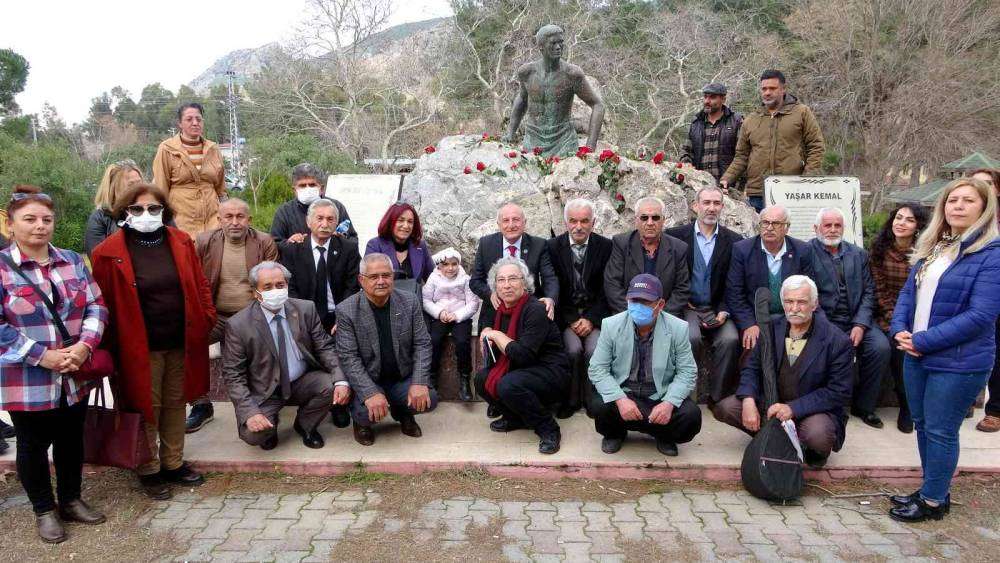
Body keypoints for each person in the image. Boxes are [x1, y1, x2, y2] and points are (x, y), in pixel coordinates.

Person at [91, 183, 216, 500]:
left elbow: (199, 284)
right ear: (125, 212)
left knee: (175, 403)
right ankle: (148, 468)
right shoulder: (107, 252)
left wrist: (206, 316)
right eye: (137, 209)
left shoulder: (181, 241)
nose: (146, 214)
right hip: (137, 346)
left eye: (153, 208)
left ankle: (173, 463)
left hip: (180, 340)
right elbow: (101, 302)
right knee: (145, 407)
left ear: (164, 211)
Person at [0, 185, 109, 543]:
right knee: (32, 444)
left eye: (46, 219)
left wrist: (85, 345)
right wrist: (42, 355)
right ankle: (44, 510)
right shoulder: (2, 268)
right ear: (10, 224)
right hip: (27, 375)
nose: (39, 226)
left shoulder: (72, 261)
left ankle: (71, 500)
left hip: (74, 371)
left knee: (70, 438)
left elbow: (96, 305)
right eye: (29, 219)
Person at [889, 178, 1000, 522]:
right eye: (953, 200)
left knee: (941, 430)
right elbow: (908, 294)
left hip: (958, 362)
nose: (958, 206)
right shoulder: (936, 246)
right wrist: (900, 329)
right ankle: (932, 489)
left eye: (968, 200)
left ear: (985, 208)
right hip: (916, 354)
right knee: (923, 425)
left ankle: (933, 502)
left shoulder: (991, 254)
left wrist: (922, 341)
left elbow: (981, 315)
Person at [713, 275, 853, 468]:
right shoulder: (770, 327)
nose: (794, 308)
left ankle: (810, 449)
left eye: (801, 302)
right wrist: (748, 400)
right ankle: (777, 437)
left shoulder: (837, 340)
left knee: (818, 435)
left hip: (811, 412)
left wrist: (793, 408)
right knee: (727, 407)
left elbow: (838, 392)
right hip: (771, 404)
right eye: (789, 301)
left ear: (814, 304)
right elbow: (752, 367)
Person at [222, 262, 350, 450]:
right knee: (254, 434)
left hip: (301, 381)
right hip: (265, 389)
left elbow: (324, 347)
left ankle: (305, 425)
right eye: (267, 287)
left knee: (332, 384)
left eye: (280, 285)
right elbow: (233, 375)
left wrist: (341, 380)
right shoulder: (238, 325)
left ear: (287, 285)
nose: (275, 290)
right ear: (255, 292)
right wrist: (250, 412)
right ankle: (270, 423)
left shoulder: (305, 309)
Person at [185, 198, 279, 433]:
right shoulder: (204, 241)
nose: (235, 222)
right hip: (216, 316)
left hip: (251, 317)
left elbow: (272, 283)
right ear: (219, 220)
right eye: (228, 216)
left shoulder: (264, 242)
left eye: (240, 216)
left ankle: (263, 405)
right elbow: (191, 279)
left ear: (249, 219)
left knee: (254, 359)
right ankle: (200, 404)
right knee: (188, 343)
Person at [588, 274, 702, 456]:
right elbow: (597, 368)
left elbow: (687, 372)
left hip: (659, 395)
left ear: (660, 305)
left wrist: (669, 403)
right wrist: (620, 399)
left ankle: (663, 435)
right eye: (634, 300)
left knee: (691, 416)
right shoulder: (611, 325)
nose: (638, 306)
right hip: (625, 392)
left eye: (646, 302)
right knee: (598, 404)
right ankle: (615, 433)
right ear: (627, 300)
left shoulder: (678, 328)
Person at [335, 253, 438, 446]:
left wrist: (419, 381)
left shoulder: (409, 301)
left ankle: (403, 412)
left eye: (386, 275)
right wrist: (369, 393)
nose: (381, 281)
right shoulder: (346, 310)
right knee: (365, 412)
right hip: (370, 378)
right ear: (361, 280)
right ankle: (361, 423)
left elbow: (423, 343)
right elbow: (348, 357)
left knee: (429, 399)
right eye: (374, 277)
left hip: (400, 377)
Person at [475, 258, 571, 454]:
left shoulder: (535, 309)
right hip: (521, 369)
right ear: (495, 286)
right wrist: (486, 329)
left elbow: (524, 355)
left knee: (508, 384)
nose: (506, 285)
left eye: (513, 279)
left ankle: (548, 429)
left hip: (549, 371)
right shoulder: (500, 308)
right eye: (501, 280)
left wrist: (497, 335)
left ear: (525, 283)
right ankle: (516, 418)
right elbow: (486, 321)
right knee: (481, 379)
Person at [809, 208, 890, 429]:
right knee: (823, 347)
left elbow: (869, 291)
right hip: (824, 319)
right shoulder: (806, 253)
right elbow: (807, 294)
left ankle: (865, 406)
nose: (833, 230)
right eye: (828, 225)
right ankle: (823, 404)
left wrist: (860, 324)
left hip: (856, 318)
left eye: (838, 225)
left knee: (880, 347)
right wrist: (826, 326)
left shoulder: (859, 254)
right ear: (816, 228)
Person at [665, 186, 743, 404]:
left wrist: (724, 310)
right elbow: (668, 275)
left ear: (722, 207)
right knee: (690, 337)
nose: (711, 208)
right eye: (706, 203)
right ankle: (685, 398)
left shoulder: (734, 241)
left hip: (717, 308)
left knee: (730, 339)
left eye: (716, 203)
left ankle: (718, 399)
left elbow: (735, 282)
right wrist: (682, 300)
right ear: (695, 206)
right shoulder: (675, 237)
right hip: (687, 308)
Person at [720, 70, 825, 212]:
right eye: (764, 89)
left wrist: (807, 180)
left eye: (772, 88)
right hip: (758, 193)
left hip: (791, 191)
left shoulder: (802, 113)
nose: (767, 93)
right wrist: (727, 178)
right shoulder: (751, 119)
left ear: (783, 89)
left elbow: (816, 147)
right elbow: (741, 156)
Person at [545, 198, 612, 416]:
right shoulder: (552, 247)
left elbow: (607, 289)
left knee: (594, 350)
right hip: (567, 317)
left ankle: (594, 401)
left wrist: (591, 319)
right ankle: (571, 401)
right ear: (566, 222)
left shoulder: (606, 246)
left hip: (595, 316)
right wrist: (572, 319)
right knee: (572, 350)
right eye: (573, 221)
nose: (579, 226)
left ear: (593, 222)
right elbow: (553, 288)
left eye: (584, 221)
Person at [501, 24, 605, 157]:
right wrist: (510, 132)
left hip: (564, 141)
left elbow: (598, 105)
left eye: (561, 42)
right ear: (541, 46)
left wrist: (590, 146)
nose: (558, 47)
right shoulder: (527, 72)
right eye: (553, 43)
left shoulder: (572, 74)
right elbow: (522, 99)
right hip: (533, 140)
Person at [870, 203, 929, 433]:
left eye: (909, 220)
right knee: (899, 346)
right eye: (898, 217)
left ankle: (915, 403)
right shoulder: (879, 249)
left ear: (918, 226)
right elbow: (880, 292)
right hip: (887, 314)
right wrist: (898, 323)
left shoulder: (926, 252)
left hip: (919, 314)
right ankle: (906, 404)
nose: (901, 223)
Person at [725, 205, 815, 351]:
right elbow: (734, 293)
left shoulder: (802, 250)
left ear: (787, 227)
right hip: (755, 319)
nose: (769, 228)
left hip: (792, 317)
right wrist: (749, 324)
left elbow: (809, 291)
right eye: (765, 223)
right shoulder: (742, 250)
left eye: (776, 223)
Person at [470, 202, 558, 328]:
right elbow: (475, 281)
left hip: (529, 310)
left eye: (516, 219)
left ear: (524, 222)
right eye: (506, 220)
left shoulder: (539, 245)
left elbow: (549, 277)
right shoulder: (486, 244)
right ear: (499, 224)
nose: (511, 225)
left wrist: (550, 298)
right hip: (495, 310)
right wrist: (490, 293)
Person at [280, 198, 361, 333]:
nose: (325, 224)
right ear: (308, 222)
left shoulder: (348, 248)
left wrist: (344, 318)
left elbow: (352, 287)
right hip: (304, 318)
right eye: (319, 218)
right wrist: (301, 319)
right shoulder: (292, 250)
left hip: (339, 316)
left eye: (330, 219)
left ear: (336, 223)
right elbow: (290, 289)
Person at [605, 197, 690, 317]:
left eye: (655, 218)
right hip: (627, 313)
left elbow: (682, 289)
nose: (650, 223)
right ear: (636, 220)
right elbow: (612, 284)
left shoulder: (678, 248)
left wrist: (659, 316)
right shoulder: (621, 244)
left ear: (663, 220)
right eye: (644, 218)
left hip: (665, 315)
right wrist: (634, 313)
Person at [152, 102, 226, 238]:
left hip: (214, 224)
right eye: (189, 119)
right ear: (180, 123)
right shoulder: (166, 149)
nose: (195, 123)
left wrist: (227, 214)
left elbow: (221, 190)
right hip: (181, 224)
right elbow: (161, 189)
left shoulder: (213, 149)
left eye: (198, 119)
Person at [422, 247, 480, 401]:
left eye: (454, 264)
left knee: (462, 341)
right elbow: (426, 300)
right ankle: (432, 377)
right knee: (434, 340)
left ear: (459, 264)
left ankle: (464, 378)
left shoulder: (465, 279)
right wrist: (439, 313)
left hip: (460, 316)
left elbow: (473, 303)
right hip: (440, 316)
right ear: (439, 265)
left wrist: (457, 315)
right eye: (446, 264)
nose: (450, 268)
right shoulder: (433, 278)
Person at [970, 168, 1000, 433]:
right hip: (970, 295)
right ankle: (967, 399)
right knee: (968, 346)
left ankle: (995, 411)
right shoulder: (963, 220)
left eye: (988, 183)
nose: (983, 187)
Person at [269, 162, 357, 245]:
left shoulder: (336, 207)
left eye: (312, 185)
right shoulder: (284, 212)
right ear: (294, 190)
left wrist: (340, 238)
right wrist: (289, 242)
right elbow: (274, 244)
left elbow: (352, 239)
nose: (307, 189)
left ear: (321, 188)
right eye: (302, 186)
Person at [680, 83, 743, 184]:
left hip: (728, 185)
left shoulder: (736, 121)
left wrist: (733, 181)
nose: (707, 101)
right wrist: (687, 163)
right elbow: (686, 151)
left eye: (712, 97)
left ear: (723, 99)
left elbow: (743, 155)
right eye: (705, 97)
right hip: (701, 185)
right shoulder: (696, 123)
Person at [365, 202, 434, 285]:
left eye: (410, 222)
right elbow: (369, 280)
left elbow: (433, 279)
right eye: (401, 220)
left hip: (414, 293)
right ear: (390, 222)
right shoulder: (375, 245)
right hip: (384, 293)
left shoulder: (420, 246)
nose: (406, 225)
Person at [84, 160, 144, 256]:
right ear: (114, 188)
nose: (139, 189)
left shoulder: (156, 211)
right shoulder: (99, 219)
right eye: (131, 185)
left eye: (140, 183)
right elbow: (98, 259)